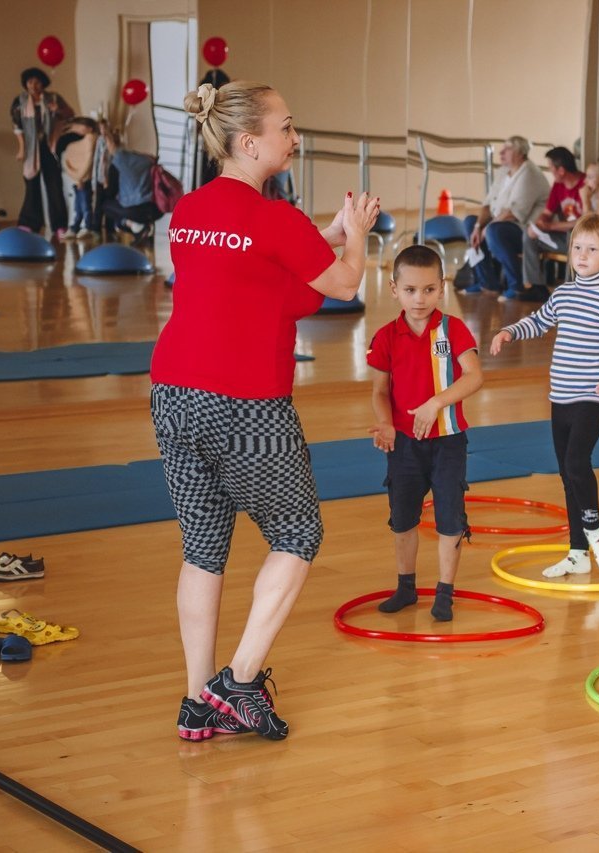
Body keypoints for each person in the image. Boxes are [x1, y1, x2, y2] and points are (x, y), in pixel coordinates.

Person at [154, 81, 378, 742]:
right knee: (297, 532)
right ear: (249, 141)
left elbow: (271, 285)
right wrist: (356, 237)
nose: (295, 136)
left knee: (202, 547)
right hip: (244, 404)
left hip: (173, 393)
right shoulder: (274, 219)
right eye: (286, 126)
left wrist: (327, 233)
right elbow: (338, 284)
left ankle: (197, 700)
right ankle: (240, 681)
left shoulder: (189, 211)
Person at [489, 213, 599, 577]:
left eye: (592, 249)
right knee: (566, 474)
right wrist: (509, 331)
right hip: (560, 397)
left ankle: (597, 533)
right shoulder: (564, 294)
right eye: (577, 248)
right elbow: (539, 321)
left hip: (591, 398)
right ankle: (578, 553)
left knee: (576, 464)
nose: (582, 255)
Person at [367, 245, 484, 622]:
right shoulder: (386, 336)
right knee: (402, 517)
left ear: (442, 288)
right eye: (411, 290)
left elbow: (475, 376)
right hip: (403, 445)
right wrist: (385, 423)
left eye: (429, 290)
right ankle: (406, 587)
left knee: (451, 517)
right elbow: (380, 391)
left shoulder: (454, 329)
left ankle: (445, 592)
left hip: (448, 442)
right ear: (394, 289)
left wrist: (436, 403)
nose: (420, 299)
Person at [462, 135, 549, 298]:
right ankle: (487, 283)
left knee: (494, 231)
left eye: (507, 149)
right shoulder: (503, 172)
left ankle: (516, 285)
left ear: (520, 153)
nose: (501, 152)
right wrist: (477, 227)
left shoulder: (529, 173)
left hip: (526, 231)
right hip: (500, 224)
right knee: (469, 222)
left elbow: (513, 213)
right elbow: (487, 204)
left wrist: (486, 229)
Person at [10, 67, 74, 237]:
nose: (33, 85)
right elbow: (18, 127)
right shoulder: (20, 101)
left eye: (37, 81)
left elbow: (70, 114)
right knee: (31, 185)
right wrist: (22, 149)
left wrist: (57, 110)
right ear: (25, 84)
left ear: (43, 83)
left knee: (54, 185)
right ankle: (29, 223)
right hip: (32, 148)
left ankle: (60, 225)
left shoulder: (53, 98)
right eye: (30, 81)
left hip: (50, 146)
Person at [520, 146, 586, 302]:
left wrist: (550, 227)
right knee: (529, 235)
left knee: (574, 234)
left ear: (561, 170)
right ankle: (536, 287)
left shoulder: (585, 184)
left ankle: (572, 290)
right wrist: (540, 223)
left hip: (582, 240)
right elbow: (547, 213)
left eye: (551, 168)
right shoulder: (558, 186)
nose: (550, 172)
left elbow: (585, 222)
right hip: (562, 238)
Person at [100, 128, 162, 246]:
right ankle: (141, 229)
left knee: (106, 206)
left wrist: (105, 181)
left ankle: (136, 226)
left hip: (136, 210)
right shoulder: (145, 159)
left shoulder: (118, 162)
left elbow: (110, 192)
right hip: (155, 208)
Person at [60, 117, 99, 239]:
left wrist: (81, 177)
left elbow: (88, 161)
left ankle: (87, 227)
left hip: (84, 180)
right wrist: (78, 177)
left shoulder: (91, 140)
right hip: (79, 179)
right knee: (78, 205)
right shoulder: (78, 143)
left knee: (85, 205)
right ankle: (74, 228)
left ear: (89, 128)